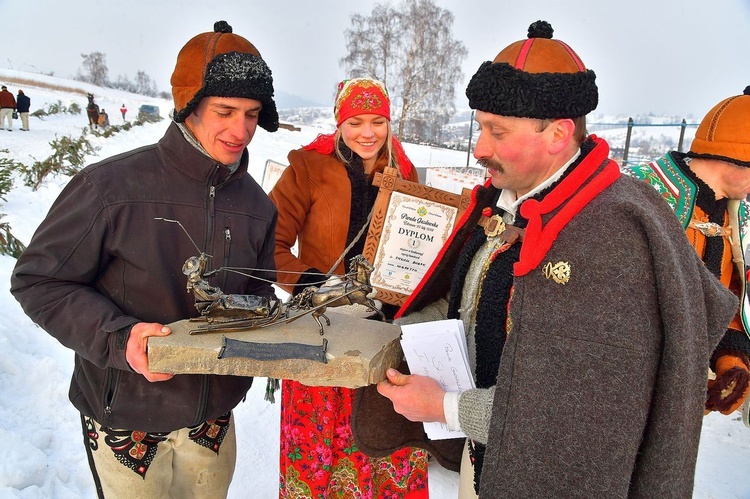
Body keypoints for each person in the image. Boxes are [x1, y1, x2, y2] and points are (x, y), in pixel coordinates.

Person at [376, 20, 737, 498]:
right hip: (487, 459)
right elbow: (474, 306)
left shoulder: (611, 235)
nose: (480, 148)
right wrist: (396, 330)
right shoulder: (513, 202)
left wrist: (444, 407)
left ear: (559, 133)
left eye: (496, 131)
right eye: (479, 127)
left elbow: (579, 419)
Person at [11, 20, 279, 498]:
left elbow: (257, 292)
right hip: (126, 416)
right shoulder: (110, 189)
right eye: (225, 110)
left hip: (212, 421)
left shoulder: (258, 206)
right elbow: (38, 281)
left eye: (252, 114)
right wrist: (121, 338)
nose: (240, 130)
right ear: (189, 106)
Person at [268, 78, 428, 498]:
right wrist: (308, 282)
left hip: (384, 332)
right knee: (324, 442)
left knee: (381, 439)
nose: (368, 132)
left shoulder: (404, 174)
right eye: (355, 121)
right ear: (339, 123)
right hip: (323, 328)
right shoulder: (308, 168)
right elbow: (269, 242)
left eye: (378, 121)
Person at [624, 86, 750, 424]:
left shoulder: (736, 218)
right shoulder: (639, 196)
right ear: (736, 157)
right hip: (617, 388)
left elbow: (731, 296)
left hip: (678, 405)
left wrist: (730, 362)